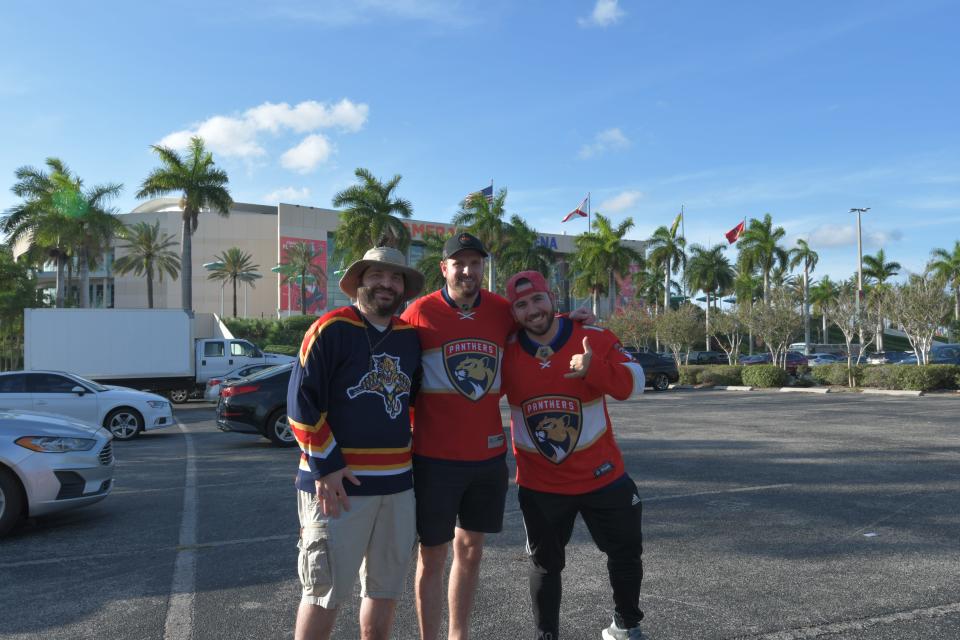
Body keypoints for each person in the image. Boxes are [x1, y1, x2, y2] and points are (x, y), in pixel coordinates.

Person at [400, 233, 595, 640]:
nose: (468, 271)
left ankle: (459, 635)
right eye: (460, 263)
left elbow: (536, 322)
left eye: (475, 263)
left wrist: (570, 325)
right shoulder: (419, 312)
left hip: (486, 459)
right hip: (433, 458)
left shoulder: (502, 310)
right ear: (444, 268)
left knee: (470, 551)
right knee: (432, 556)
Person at [500, 270, 647, 640]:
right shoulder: (506, 352)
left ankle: (626, 627)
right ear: (513, 313)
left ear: (553, 297)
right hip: (541, 485)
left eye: (537, 299)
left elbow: (637, 382)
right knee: (545, 566)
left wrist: (593, 368)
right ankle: (546, 635)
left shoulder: (591, 336)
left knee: (626, 554)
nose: (532, 309)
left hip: (604, 477)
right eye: (521, 304)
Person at [288, 246, 424, 640]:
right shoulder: (330, 328)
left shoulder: (409, 339)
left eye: (396, 277)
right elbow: (300, 402)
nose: (387, 283)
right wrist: (326, 466)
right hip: (337, 485)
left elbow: (412, 402)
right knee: (323, 591)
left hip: (397, 486)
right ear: (359, 282)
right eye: (377, 274)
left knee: (384, 590)